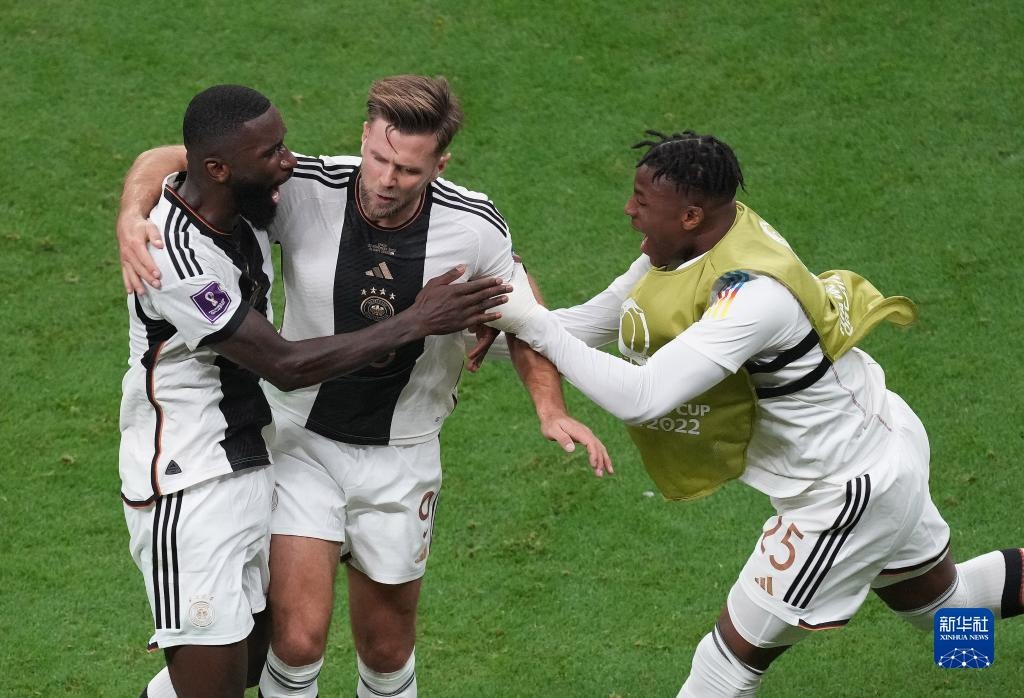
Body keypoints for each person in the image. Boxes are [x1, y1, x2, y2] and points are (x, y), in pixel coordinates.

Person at [117, 76, 611, 698]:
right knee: (295, 642)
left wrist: (549, 406)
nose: (385, 179)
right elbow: (182, 160)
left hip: (403, 450)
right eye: (378, 158)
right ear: (364, 139)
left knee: (384, 649)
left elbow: (521, 307)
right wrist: (131, 213)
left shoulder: (472, 225)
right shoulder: (301, 188)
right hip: (296, 443)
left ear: (439, 165)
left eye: (407, 169)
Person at [489, 130, 1023, 696]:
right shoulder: (686, 250)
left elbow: (642, 396)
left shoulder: (752, 296)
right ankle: (976, 680)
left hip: (845, 490)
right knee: (948, 610)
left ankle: (969, 677)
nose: (628, 209)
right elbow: (578, 328)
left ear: (691, 214)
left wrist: (531, 321)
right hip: (876, 440)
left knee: (726, 661)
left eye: (642, 201)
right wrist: (476, 325)